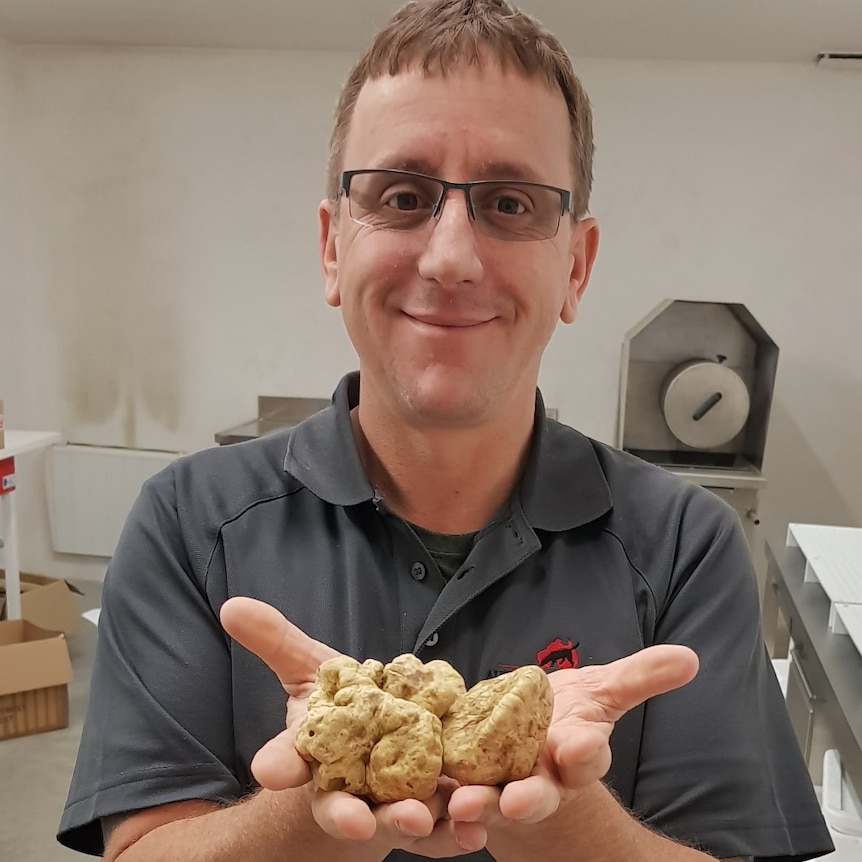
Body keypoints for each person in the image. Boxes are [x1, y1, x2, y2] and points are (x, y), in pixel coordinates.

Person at [58, 1, 834, 860]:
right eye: (402, 196)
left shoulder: (688, 546)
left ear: (574, 266)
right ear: (331, 247)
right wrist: (321, 794)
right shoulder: (186, 523)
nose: (451, 257)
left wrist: (554, 809)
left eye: (509, 202)